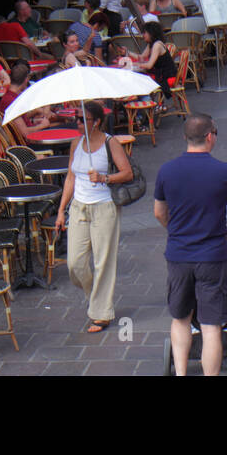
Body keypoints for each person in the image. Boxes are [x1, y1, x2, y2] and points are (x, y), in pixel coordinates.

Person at [154, 114, 227, 376]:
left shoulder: (167, 170)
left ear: (186, 137)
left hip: (179, 254)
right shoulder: (223, 171)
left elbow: (159, 212)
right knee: (210, 325)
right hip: (212, 255)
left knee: (181, 318)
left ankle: (182, 373)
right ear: (210, 136)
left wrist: (174, 229)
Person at [55, 101, 133, 333]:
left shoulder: (111, 143)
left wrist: (104, 178)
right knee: (75, 264)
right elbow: (70, 178)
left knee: (103, 261)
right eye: (76, 118)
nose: (77, 123)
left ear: (96, 122)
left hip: (104, 207)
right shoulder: (75, 143)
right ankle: (97, 297)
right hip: (79, 207)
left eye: (82, 119)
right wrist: (61, 210)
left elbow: (127, 173)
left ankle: (101, 313)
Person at [115, 21, 175, 92]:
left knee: (139, 80)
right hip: (161, 75)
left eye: (144, 33)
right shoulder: (151, 44)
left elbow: (149, 65)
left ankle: (145, 99)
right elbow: (142, 57)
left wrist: (132, 63)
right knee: (138, 78)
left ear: (151, 33)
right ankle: (142, 98)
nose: (142, 35)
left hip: (167, 78)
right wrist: (127, 52)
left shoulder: (157, 45)